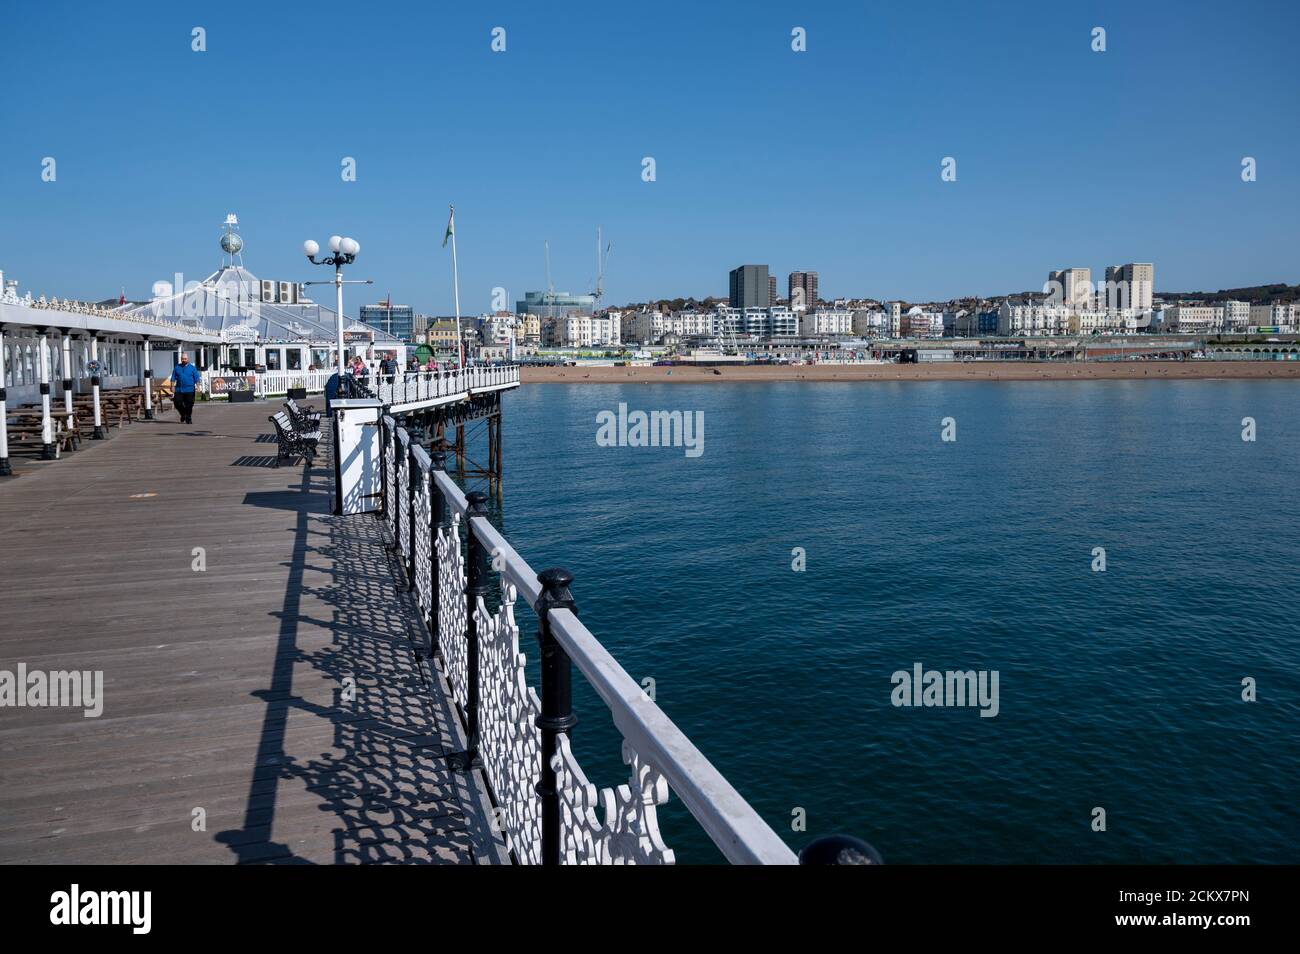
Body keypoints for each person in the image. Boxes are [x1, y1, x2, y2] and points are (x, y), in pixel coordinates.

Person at [170, 353, 201, 424]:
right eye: (182, 359)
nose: (184, 360)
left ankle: (188, 418)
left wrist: (198, 387)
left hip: (189, 390)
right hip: (179, 389)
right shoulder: (177, 367)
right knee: (177, 403)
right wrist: (172, 386)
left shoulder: (192, 368)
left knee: (189, 405)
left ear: (188, 359)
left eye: (185, 359)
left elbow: (197, 378)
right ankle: (183, 414)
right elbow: (173, 378)